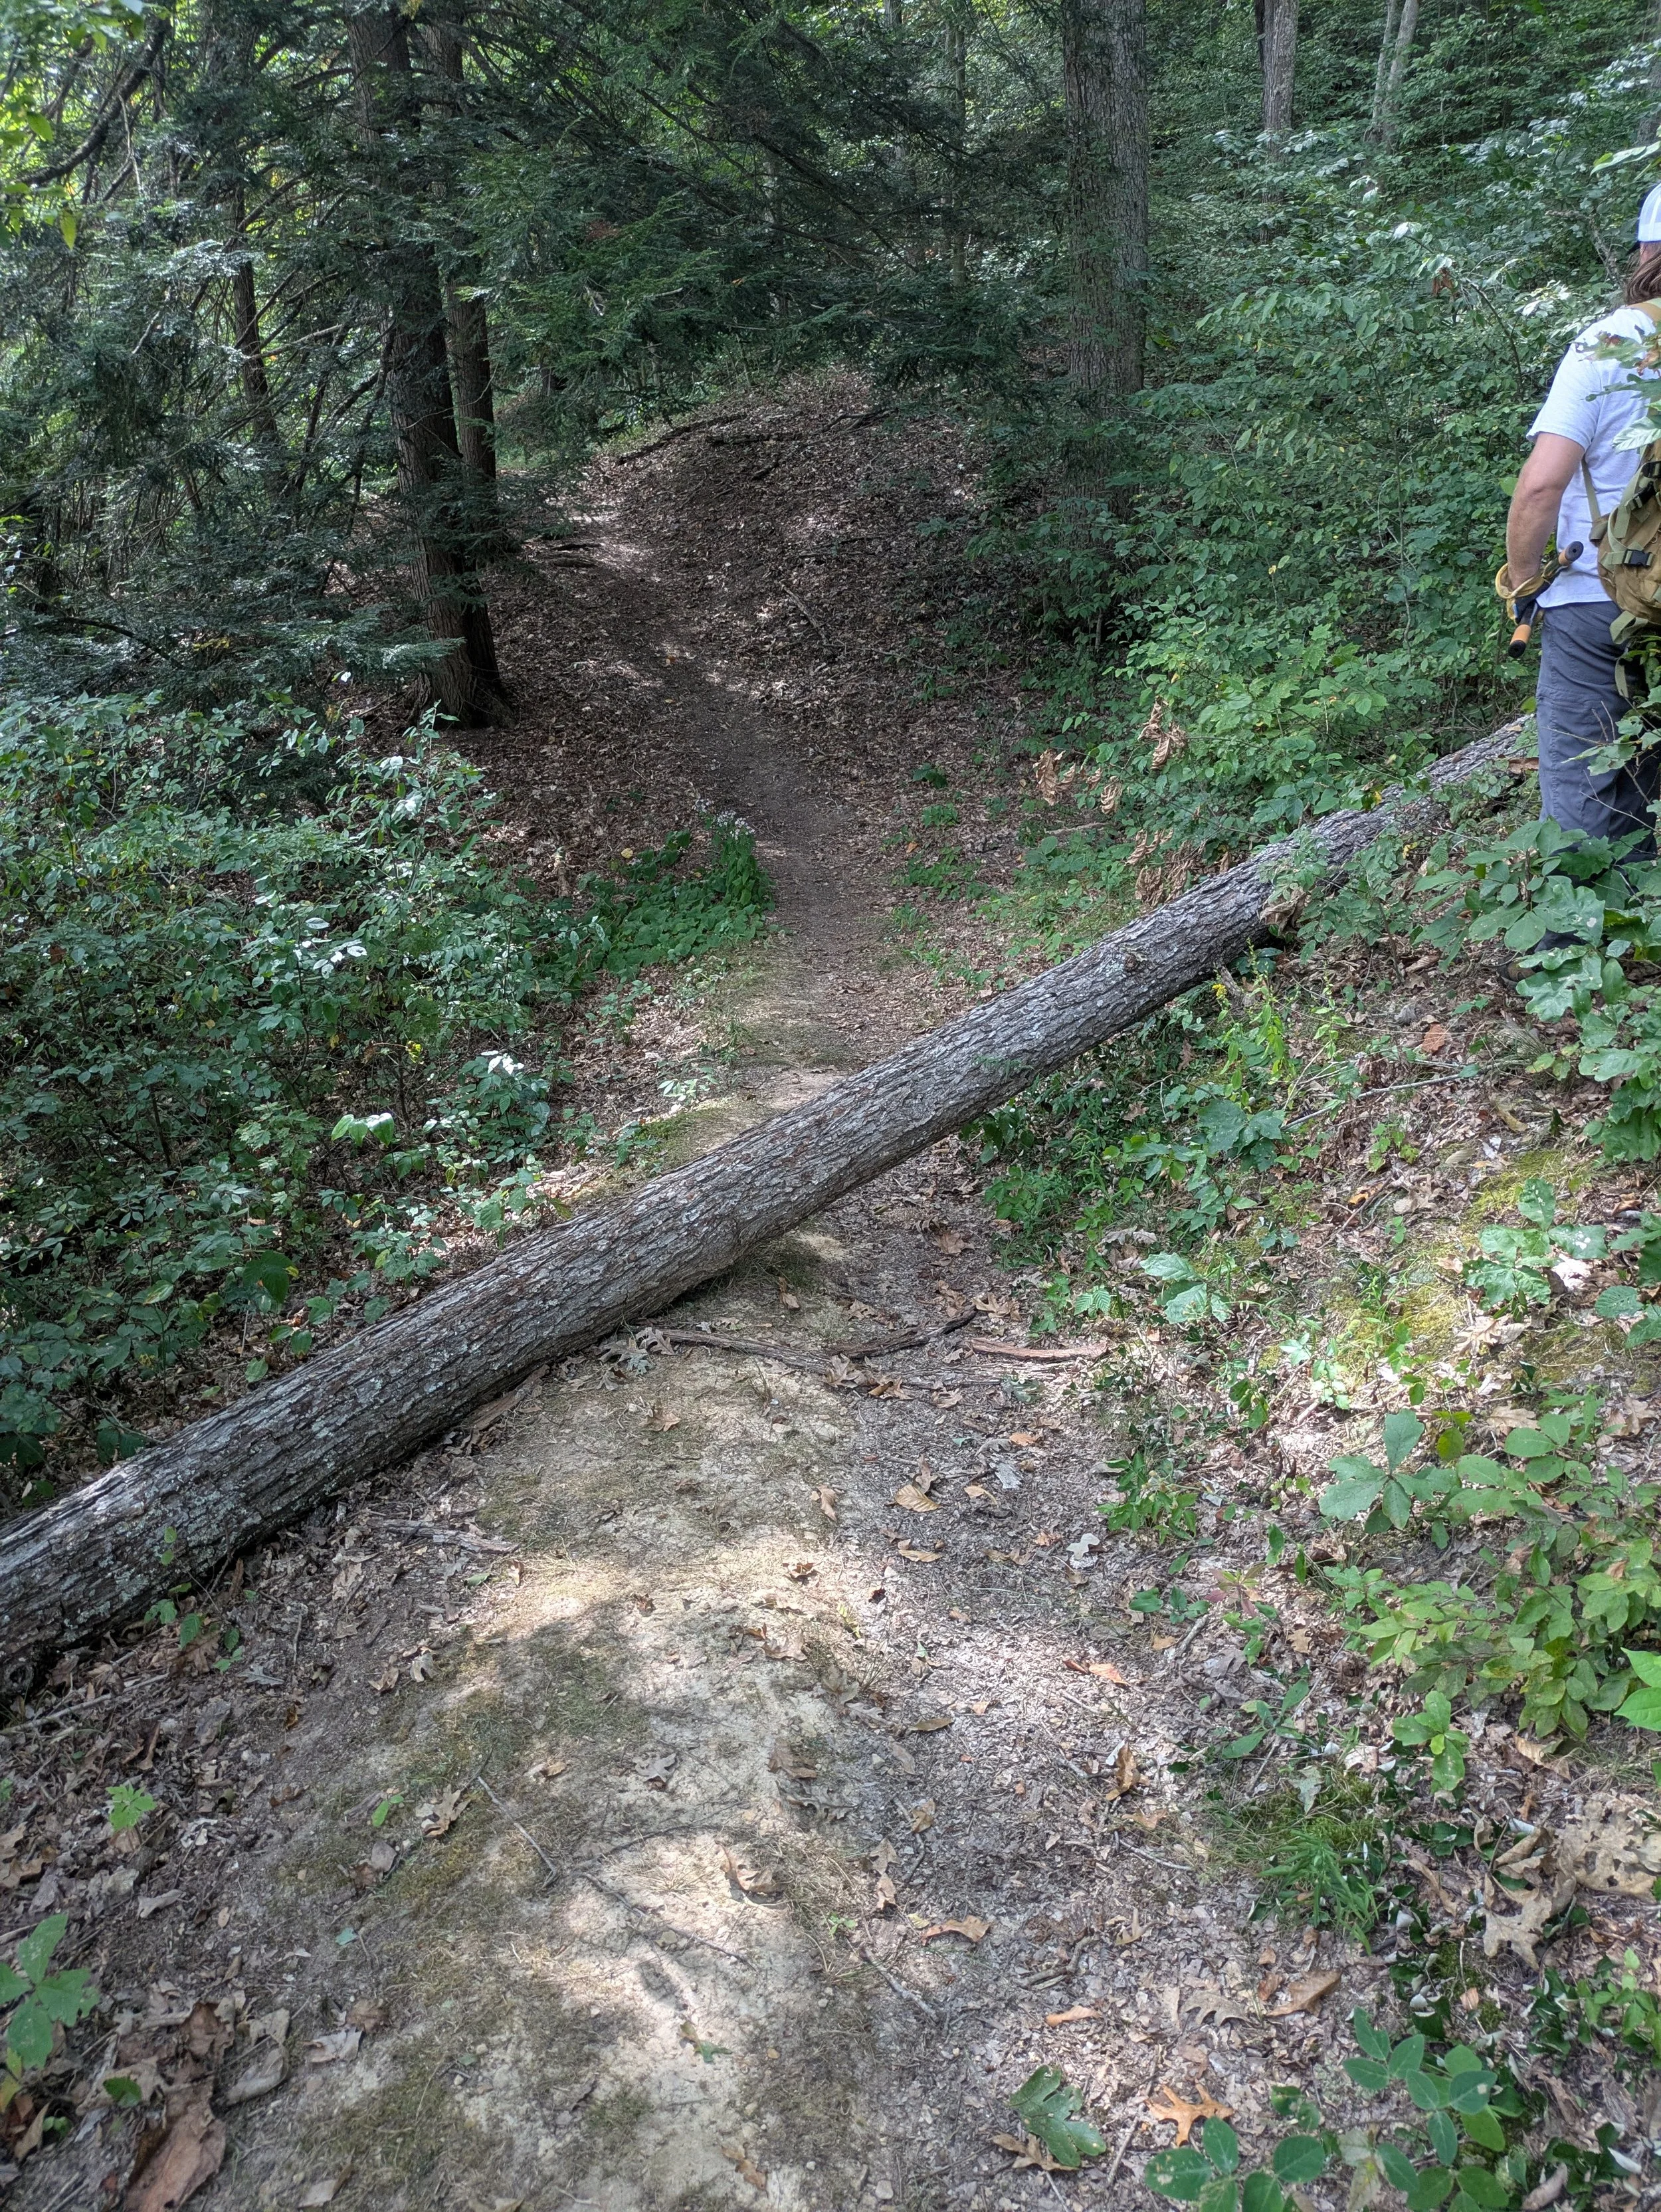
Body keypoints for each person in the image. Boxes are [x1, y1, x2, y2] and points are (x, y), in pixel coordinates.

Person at [1502, 188, 1661, 856]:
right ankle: (1638, 941)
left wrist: (1521, 577)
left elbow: (1542, 483)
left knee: (1579, 789)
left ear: (1648, 250)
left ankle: (1567, 954)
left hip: (1596, 598)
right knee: (1648, 777)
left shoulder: (1613, 340)